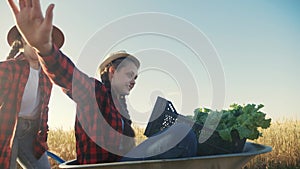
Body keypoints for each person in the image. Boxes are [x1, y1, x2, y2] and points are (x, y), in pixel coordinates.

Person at [7, 0, 198, 165]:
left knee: (183, 132)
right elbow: (68, 76)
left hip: (119, 165)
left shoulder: (122, 110)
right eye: (130, 74)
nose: (134, 81)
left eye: (136, 77)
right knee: (182, 133)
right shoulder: (95, 94)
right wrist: (44, 48)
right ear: (113, 72)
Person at [0, 24, 64, 168]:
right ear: (23, 40)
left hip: (32, 134)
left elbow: (43, 108)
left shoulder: (47, 77)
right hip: (6, 129)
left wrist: (43, 137)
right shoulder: (8, 68)